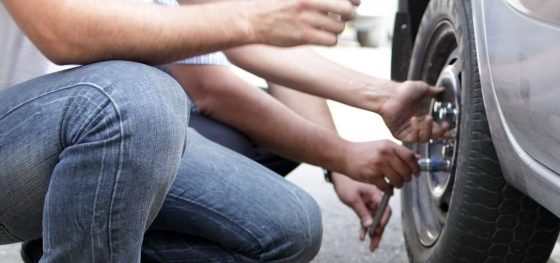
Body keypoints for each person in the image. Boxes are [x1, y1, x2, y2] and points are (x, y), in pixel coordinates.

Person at [0, 0, 426, 263]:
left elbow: (226, 45)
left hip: (86, 124)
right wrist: (254, 18)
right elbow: (64, 33)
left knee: (286, 230)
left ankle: (68, 248)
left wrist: (380, 99)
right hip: (24, 137)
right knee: (139, 94)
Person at [152, 0, 447, 250]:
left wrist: (384, 97)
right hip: (126, 109)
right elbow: (210, 90)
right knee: (287, 228)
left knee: (287, 132)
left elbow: (259, 44)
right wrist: (343, 155)